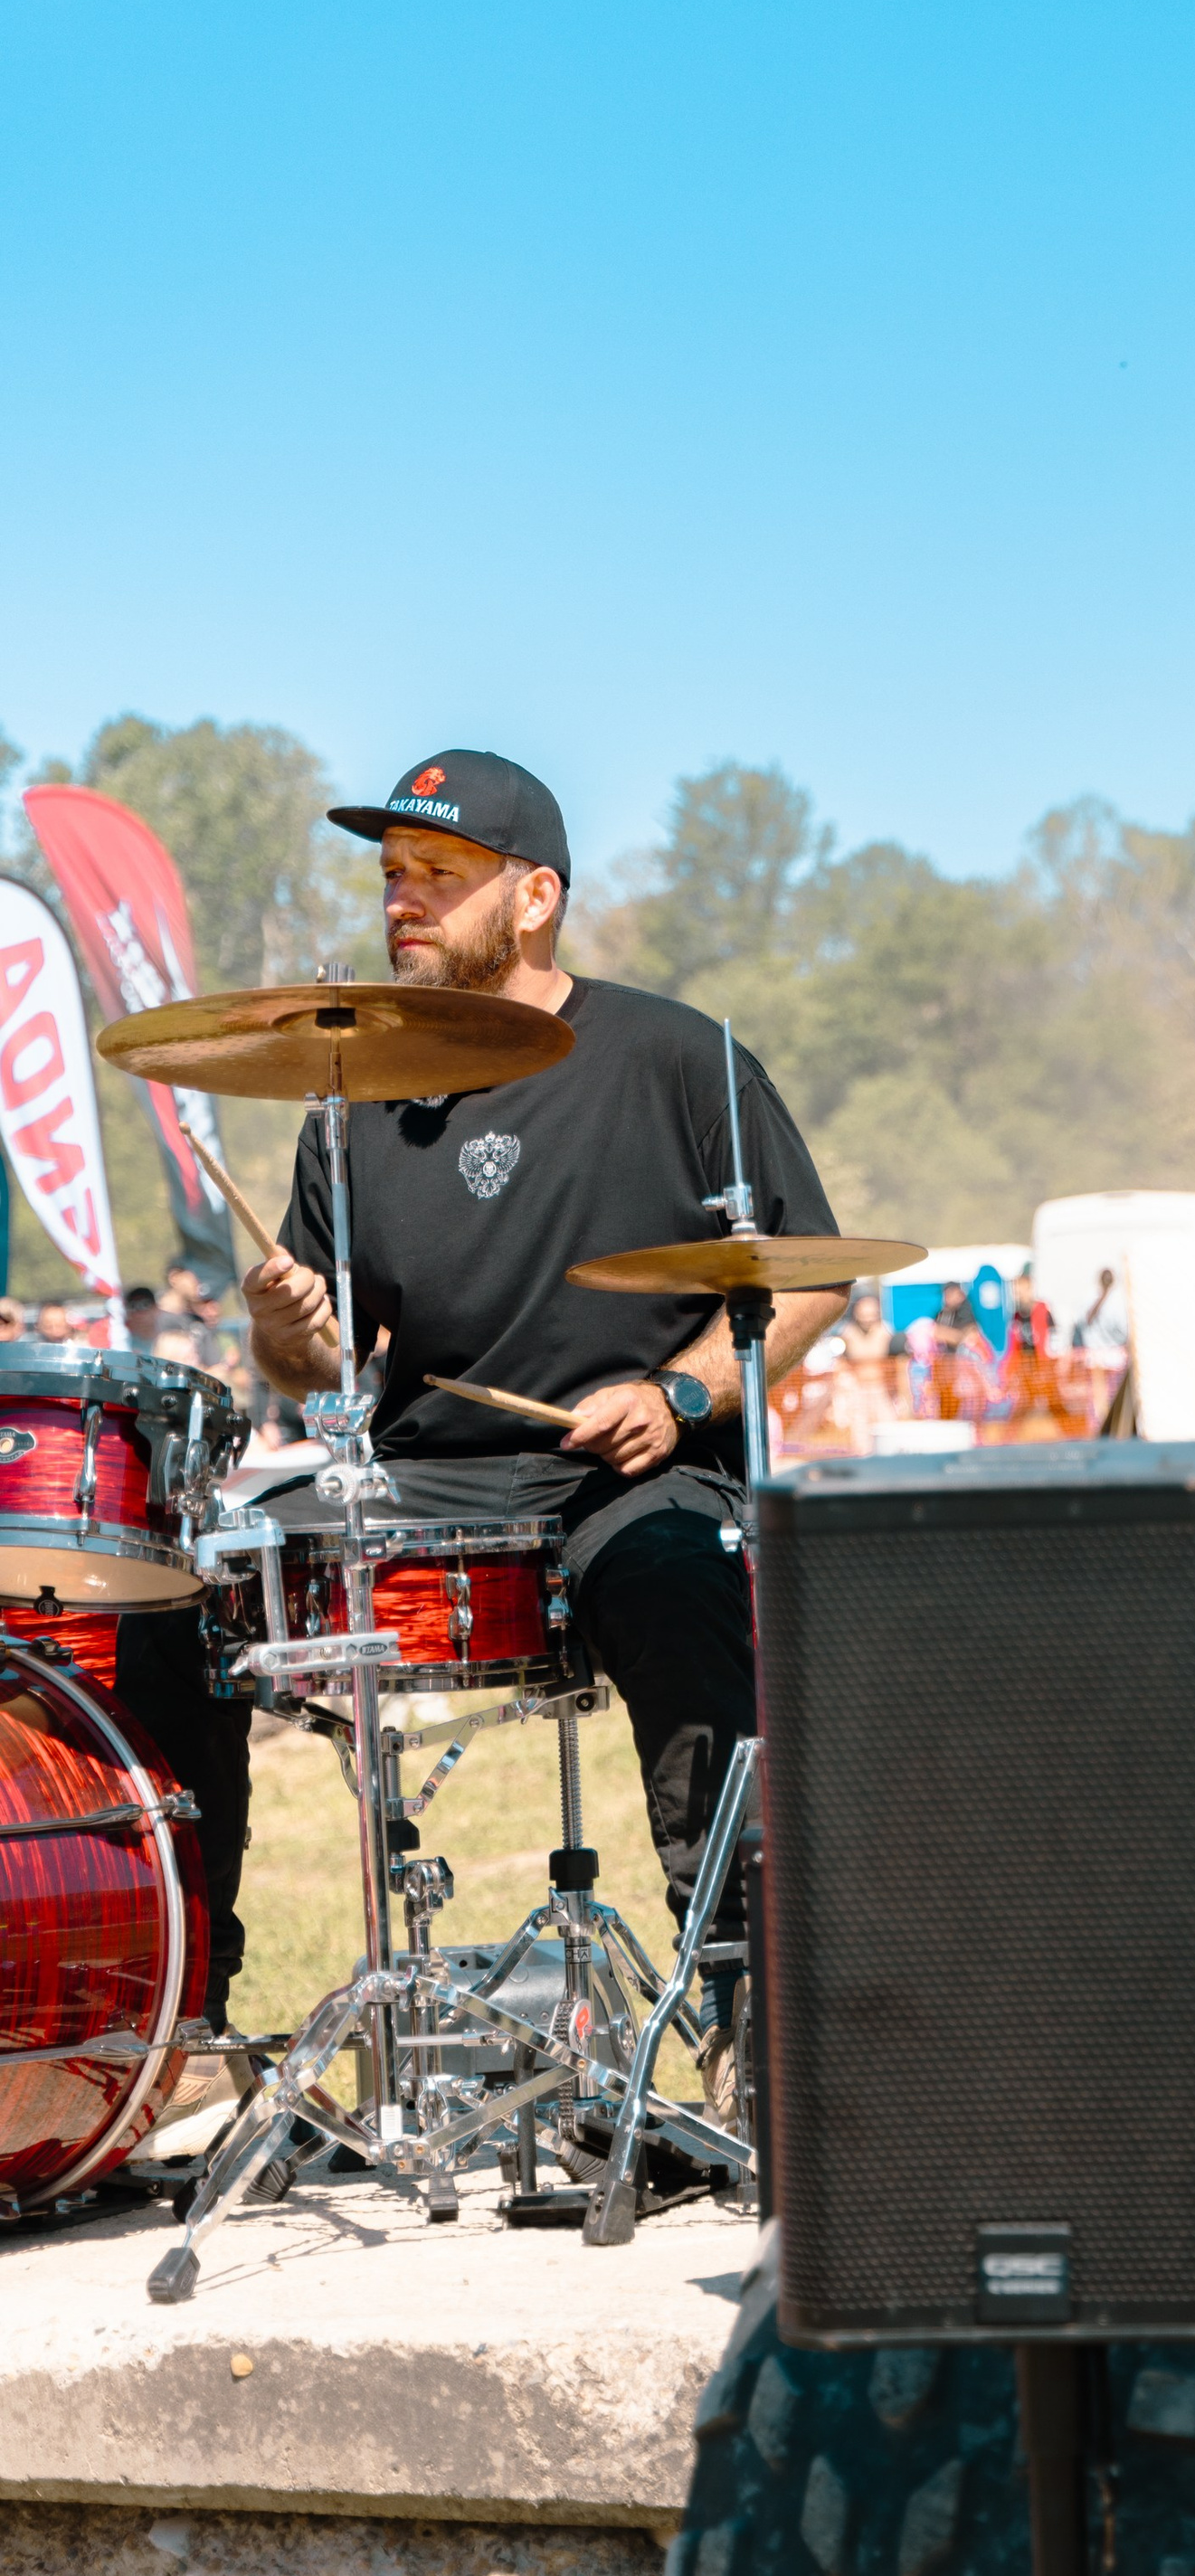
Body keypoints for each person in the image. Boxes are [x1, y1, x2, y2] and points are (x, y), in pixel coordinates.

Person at [224, 747, 848, 2116]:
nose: (402, 897)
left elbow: (809, 1275)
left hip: (626, 1471)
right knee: (195, 1588)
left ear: (535, 895)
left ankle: (748, 2012)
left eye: (438, 873)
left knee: (677, 1589)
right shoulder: (354, 1097)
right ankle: (184, 2007)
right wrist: (282, 1321)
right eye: (392, 872)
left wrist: (679, 1395)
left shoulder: (677, 1055)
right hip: (427, 1476)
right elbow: (321, 1360)